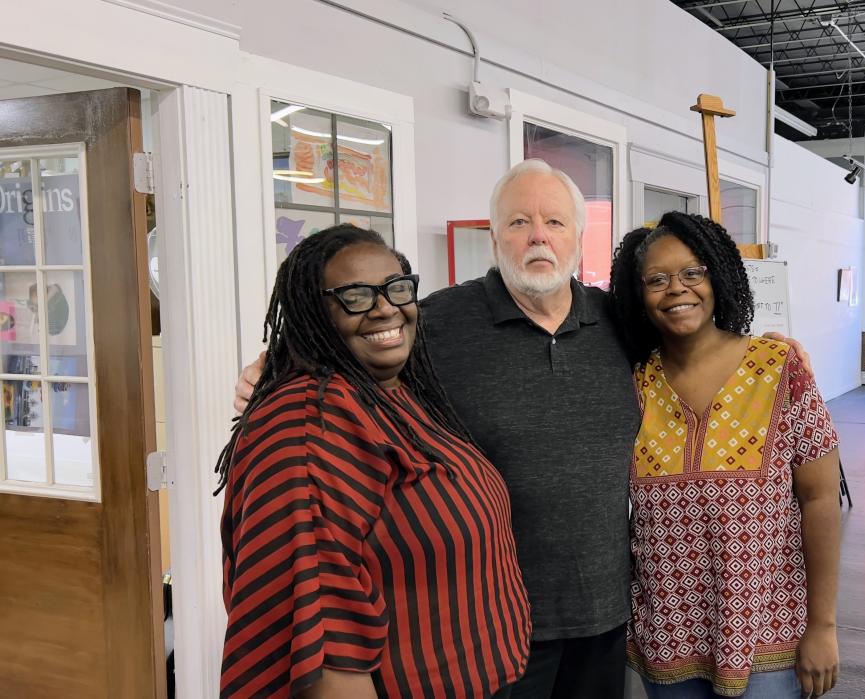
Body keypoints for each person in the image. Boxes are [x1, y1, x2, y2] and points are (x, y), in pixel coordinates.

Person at [235, 160, 814, 698]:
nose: (538, 235)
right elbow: (353, 340)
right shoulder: (436, 322)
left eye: (554, 221)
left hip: (609, 616)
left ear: (576, 239)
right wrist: (275, 369)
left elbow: (694, 342)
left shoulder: (620, 321)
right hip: (492, 627)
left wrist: (765, 350)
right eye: (519, 222)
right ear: (495, 238)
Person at [217, 224, 530, 699]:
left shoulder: (397, 392)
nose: (385, 307)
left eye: (396, 288)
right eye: (355, 296)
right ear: (313, 314)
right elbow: (319, 638)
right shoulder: (308, 427)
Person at [610, 212, 843, 698]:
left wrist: (823, 626)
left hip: (768, 636)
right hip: (667, 639)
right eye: (657, 279)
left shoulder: (779, 370)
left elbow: (820, 499)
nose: (677, 289)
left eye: (692, 272)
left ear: (718, 276)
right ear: (639, 295)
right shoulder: (632, 384)